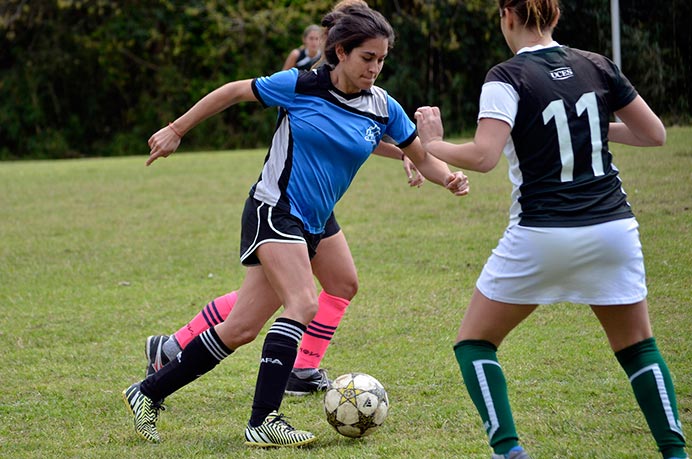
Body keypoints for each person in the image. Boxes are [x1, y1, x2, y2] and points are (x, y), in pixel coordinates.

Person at [123, 4, 469, 447]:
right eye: (368, 58)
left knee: (244, 327)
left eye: (382, 60)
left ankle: (147, 391)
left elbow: (419, 154)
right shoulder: (302, 85)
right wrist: (176, 129)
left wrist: (449, 178)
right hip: (275, 209)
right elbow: (231, 91)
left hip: (315, 220)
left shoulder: (382, 106)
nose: (376, 68)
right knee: (303, 302)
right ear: (341, 52)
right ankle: (264, 419)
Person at [414, 1, 688, 458]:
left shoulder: (506, 77)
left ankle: (509, 451)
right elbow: (653, 134)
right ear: (556, 18)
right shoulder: (596, 64)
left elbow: (483, 156)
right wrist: (591, 122)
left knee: (474, 344)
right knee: (639, 348)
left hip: (543, 232)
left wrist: (433, 142)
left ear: (506, 16)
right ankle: (676, 454)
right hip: (613, 229)